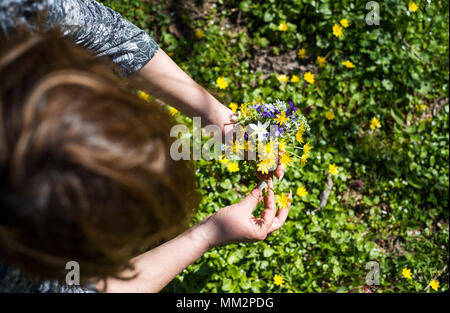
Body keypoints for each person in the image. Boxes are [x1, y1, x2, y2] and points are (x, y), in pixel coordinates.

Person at [0, 2, 291, 293]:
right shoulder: (10, 278)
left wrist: (219, 119)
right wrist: (207, 234)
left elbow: (108, 35)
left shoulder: (14, 12)